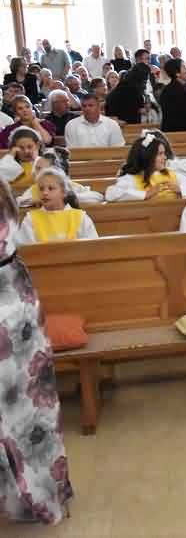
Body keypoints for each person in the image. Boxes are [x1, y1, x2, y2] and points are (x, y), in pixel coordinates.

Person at [0, 176, 74, 525]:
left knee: (24, 416)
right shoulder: (4, 189)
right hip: (20, 303)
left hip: (10, 317)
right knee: (31, 414)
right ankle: (41, 496)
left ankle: (33, 498)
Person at [15, 167, 98, 244]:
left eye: (51, 188)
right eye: (41, 189)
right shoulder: (30, 219)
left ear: (64, 192)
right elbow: (26, 249)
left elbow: (92, 246)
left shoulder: (81, 217)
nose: (45, 193)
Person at [105, 133, 186, 202]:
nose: (165, 157)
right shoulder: (130, 179)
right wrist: (146, 194)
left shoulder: (171, 174)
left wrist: (181, 190)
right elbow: (110, 194)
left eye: (164, 153)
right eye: (160, 154)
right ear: (147, 156)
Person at [15, 147, 102, 207]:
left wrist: (66, 197)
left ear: (56, 171)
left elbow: (97, 197)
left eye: (39, 169)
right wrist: (33, 200)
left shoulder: (71, 186)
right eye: (36, 168)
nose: (34, 173)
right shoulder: (35, 189)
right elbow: (19, 201)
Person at [160, 58, 186, 132]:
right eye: (184, 67)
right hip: (178, 131)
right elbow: (174, 114)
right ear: (177, 73)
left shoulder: (185, 88)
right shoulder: (169, 91)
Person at [0, 126, 44, 192]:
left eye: (30, 147)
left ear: (37, 145)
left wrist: (36, 159)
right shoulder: (11, 164)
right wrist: (11, 155)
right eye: (21, 148)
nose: (26, 151)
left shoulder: (43, 162)